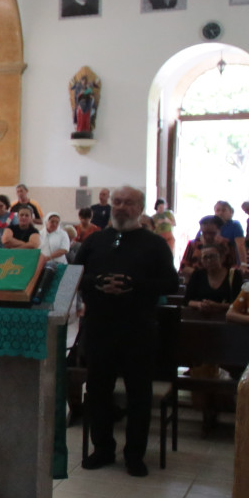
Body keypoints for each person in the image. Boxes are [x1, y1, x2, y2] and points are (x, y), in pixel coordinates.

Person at [71, 185, 179, 476]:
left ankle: (134, 455)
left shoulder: (154, 244)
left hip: (138, 331)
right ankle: (103, 448)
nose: (120, 207)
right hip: (99, 328)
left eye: (128, 203)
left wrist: (134, 284)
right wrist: (98, 282)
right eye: (117, 202)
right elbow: (74, 277)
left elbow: (171, 283)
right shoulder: (95, 241)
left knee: (138, 395)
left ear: (140, 208)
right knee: (98, 392)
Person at [183, 244, 240, 316]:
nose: (209, 260)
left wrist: (217, 305)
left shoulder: (234, 275)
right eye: (205, 257)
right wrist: (200, 304)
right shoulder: (197, 274)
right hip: (201, 316)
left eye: (212, 256)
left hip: (227, 317)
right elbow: (187, 301)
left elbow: (238, 304)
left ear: (222, 258)